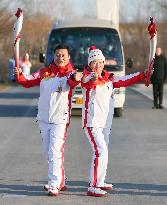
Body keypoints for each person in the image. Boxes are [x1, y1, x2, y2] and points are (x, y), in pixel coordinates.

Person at [81, 46, 149, 197]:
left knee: (103, 152)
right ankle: (92, 186)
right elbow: (87, 80)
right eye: (94, 63)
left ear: (104, 63)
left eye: (100, 62)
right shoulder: (87, 78)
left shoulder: (109, 79)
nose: (97, 65)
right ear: (90, 64)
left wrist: (143, 74)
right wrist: (92, 77)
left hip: (105, 124)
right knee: (101, 151)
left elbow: (126, 80)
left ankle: (100, 181)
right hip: (92, 123)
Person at [15, 44, 81, 197]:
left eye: (63, 55)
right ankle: (61, 181)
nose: (60, 58)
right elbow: (27, 81)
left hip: (60, 119)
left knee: (54, 151)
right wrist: (19, 75)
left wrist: (76, 78)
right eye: (58, 55)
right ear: (54, 56)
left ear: (68, 57)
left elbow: (73, 80)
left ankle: (54, 184)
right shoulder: (45, 72)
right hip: (44, 118)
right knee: (49, 152)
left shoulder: (70, 73)